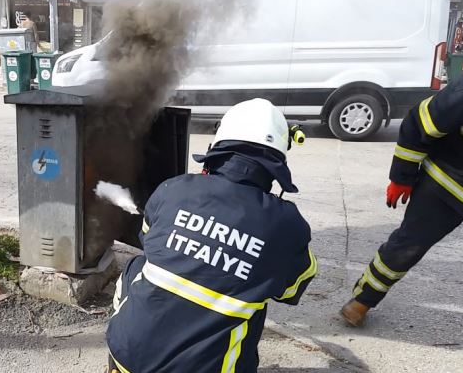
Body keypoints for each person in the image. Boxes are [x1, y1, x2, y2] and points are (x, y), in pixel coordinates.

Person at [106, 99, 318, 373]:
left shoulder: (173, 188)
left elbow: (149, 242)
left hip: (127, 357)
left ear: (217, 146)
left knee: (138, 265)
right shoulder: (286, 224)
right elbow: (292, 289)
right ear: (276, 162)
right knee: (254, 298)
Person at [340, 63, 463, 340]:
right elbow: (420, 120)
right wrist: (402, 175)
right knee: (412, 241)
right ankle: (362, 300)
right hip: (453, 170)